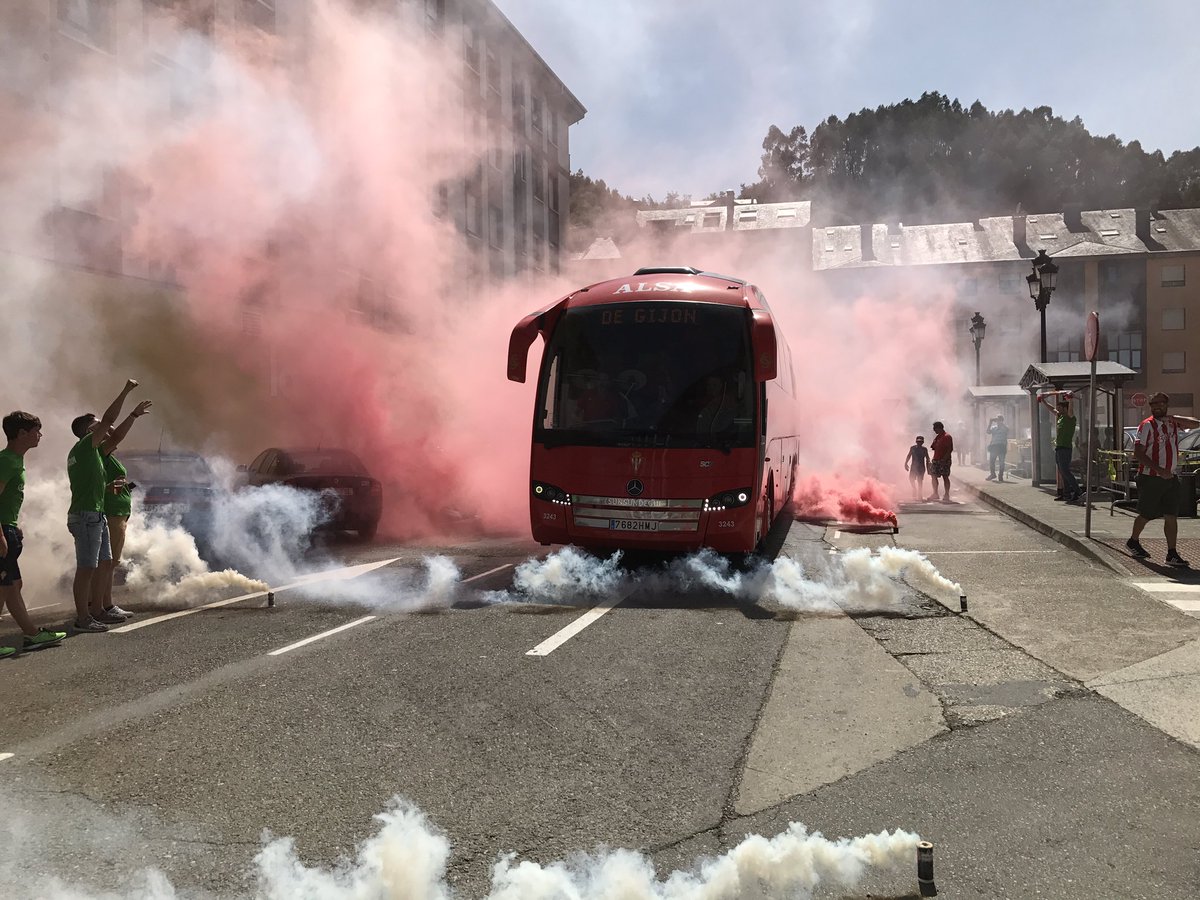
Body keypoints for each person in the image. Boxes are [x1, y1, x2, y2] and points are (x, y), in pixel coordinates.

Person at [67, 379, 143, 633]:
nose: (104, 427)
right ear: (88, 432)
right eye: (97, 425)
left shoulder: (95, 453)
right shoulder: (86, 447)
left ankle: (99, 610)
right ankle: (84, 618)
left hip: (95, 514)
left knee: (102, 564)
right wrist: (125, 390)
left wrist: (132, 415)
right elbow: (110, 421)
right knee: (87, 567)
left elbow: (117, 433)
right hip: (87, 515)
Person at [0, 412, 66, 658]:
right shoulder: (7, 461)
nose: (40, 435)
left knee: (13, 584)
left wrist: (13, 526)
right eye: (36, 431)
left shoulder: (16, 460)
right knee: (4, 586)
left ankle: (31, 634)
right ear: (21, 434)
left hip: (8, 529)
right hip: (2, 531)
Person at [1126, 392, 1200, 566]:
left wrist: (1174, 417)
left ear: (1166, 405)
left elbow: (1196, 424)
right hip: (1151, 477)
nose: (1157, 406)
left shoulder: (1172, 423)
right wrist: (1159, 469)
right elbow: (1138, 453)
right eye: (1153, 404)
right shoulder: (1146, 426)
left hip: (1171, 478)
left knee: (1171, 514)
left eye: (1160, 403)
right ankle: (1133, 540)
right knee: (1146, 513)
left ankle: (1172, 553)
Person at [97, 399, 153, 621]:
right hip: (112, 513)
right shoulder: (100, 450)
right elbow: (117, 435)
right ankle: (105, 605)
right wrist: (133, 415)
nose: (109, 428)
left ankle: (100, 604)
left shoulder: (104, 455)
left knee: (108, 562)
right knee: (108, 562)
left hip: (116, 512)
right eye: (100, 425)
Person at [1039, 391, 1081, 502]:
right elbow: (1052, 409)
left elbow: (1071, 409)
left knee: (1065, 471)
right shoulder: (1060, 417)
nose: (1058, 410)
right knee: (1062, 472)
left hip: (1065, 448)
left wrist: (1070, 399)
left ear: (1065, 408)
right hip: (1059, 448)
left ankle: (1077, 491)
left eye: (1060, 408)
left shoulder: (1070, 418)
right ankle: (1066, 493)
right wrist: (1043, 401)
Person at [928, 421, 954, 502]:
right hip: (936, 459)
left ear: (939, 428)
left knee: (945, 476)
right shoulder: (938, 437)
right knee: (933, 476)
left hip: (944, 460)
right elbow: (933, 447)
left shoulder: (947, 436)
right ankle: (935, 493)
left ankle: (946, 494)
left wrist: (944, 459)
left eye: (934, 428)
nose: (933, 430)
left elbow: (950, 449)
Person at [904, 435, 929, 500]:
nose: (919, 443)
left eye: (920, 442)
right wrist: (906, 463)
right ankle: (914, 488)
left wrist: (928, 465)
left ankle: (920, 493)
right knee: (911, 479)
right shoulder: (913, 448)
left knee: (920, 480)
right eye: (918, 441)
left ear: (923, 442)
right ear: (916, 441)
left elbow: (927, 458)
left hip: (921, 467)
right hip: (913, 466)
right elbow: (909, 455)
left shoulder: (924, 449)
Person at [986, 415, 1010, 482]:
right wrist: (990, 423)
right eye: (997, 420)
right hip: (994, 446)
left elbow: (1007, 430)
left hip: (1001, 446)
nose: (998, 422)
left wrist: (1001, 423)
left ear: (1002, 421)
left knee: (1001, 462)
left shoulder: (1005, 428)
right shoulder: (993, 428)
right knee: (992, 461)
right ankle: (993, 474)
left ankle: (1000, 476)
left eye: (999, 420)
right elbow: (988, 432)